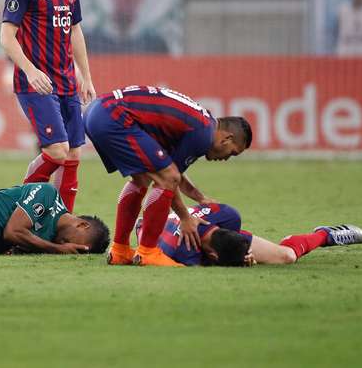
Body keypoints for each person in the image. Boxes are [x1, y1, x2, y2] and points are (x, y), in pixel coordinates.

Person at [83, 84, 252, 267]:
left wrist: (199, 197)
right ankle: (147, 252)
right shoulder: (203, 134)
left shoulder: (202, 124)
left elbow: (172, 170)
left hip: (98, 111)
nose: (227, 158)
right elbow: (170, 178)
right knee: (163, 178)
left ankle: (120, 250)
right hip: (112, 116)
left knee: (142, 178)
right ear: (226, 138)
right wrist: (186, 218)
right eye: (232, 153)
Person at [0, 0, 96, 213]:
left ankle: (62, 222)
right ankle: (17, 211)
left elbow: (75, 31)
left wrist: (86, 77)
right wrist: (30, 70)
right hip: (35, 83)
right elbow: (6, 37)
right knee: (57, 151)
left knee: (74, 155)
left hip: (66, 81)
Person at [138, 202, 362, 267]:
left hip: (208, 232)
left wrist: (237, 249)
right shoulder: (185, 254)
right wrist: (238, 260)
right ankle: (324, 235)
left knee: (285, 256)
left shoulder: (227, 215)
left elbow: (208, 208)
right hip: (158, 226)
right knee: (286, 256)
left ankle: (326, 235)